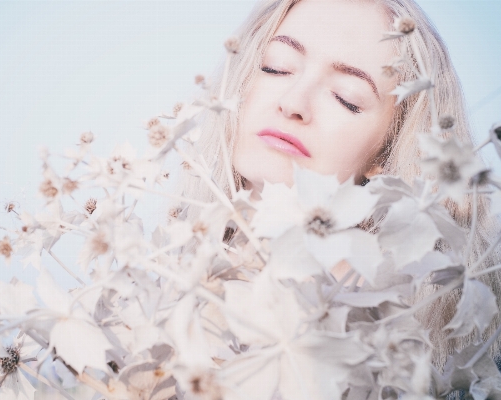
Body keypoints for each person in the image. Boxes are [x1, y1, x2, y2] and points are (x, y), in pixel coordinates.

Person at [176, 0, 501, 372]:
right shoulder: (148, 295)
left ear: (388, 153)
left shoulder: (407, 355)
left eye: (346, 98)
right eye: (276, 67)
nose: (293, 102)